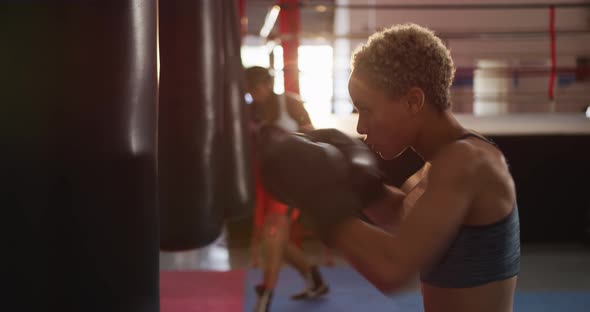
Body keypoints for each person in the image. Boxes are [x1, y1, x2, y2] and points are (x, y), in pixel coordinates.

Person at [259, 23, 520, 312]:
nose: (361, 126)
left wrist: (321, 201)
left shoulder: (467, 162)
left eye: (366, 109)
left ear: (413, 101)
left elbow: (392, 270)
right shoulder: (440, 165)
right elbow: (403, 215)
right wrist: (360, 183)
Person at [245, 66, 329, 312]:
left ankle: (266, 294)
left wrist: (295, 140)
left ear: (268, 84)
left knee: (273, 229)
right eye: (249, 89)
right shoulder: (249, 111)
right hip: (265, 181)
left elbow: (314, 137)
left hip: (290, 179)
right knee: (270, 238)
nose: (253, 92)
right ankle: (314, 278)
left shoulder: (289, 103)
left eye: (256, 86)